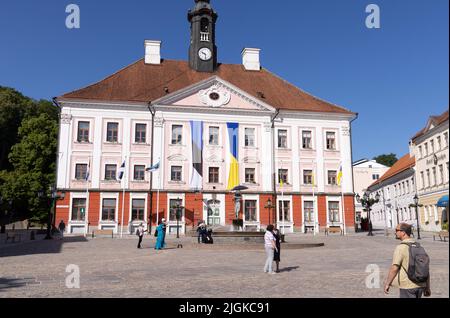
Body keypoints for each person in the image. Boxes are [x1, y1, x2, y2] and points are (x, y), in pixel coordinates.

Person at [384, 223, 431, 298]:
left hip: (407, 286)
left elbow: (394, 268)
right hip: (420, 286)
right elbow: (425, 269)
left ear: (403, 232)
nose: (395, 232)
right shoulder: (419, 247)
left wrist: (387, 283)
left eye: (397, 230)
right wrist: (427, 286)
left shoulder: (401, 247)